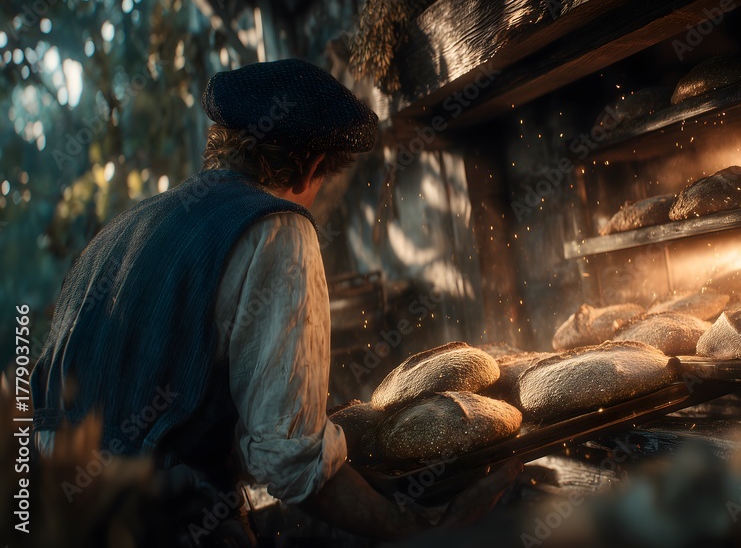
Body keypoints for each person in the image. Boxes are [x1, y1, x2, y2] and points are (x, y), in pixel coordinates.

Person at [30, 58, 520, 544]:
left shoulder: (120, 230)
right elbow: (290, 462)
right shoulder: (276, 227)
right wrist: (421, 529)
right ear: (312, 167)